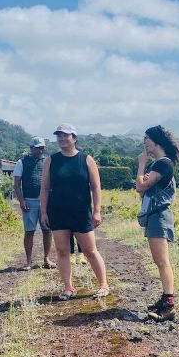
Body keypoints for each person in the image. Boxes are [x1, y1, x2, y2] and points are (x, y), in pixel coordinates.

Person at [40, 123, 109, 300]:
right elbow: (45, 188)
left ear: (74, 138)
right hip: (58, 211)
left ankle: (103, 285)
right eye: (59, 136)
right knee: (62, 251)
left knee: (90, 250)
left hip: (80, 211)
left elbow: (96, 187)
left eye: (66, 135)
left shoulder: (86, 159)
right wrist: (44, 212)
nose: (62, 139)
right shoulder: (51, 160)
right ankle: (68, 287)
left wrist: (97, 210)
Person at [136, 125, 179, 322]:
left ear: (156, 141)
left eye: (147, 138)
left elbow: (140, 187)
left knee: (162, 262)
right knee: (159, 261)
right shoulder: (162, 164)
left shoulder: (162, 164)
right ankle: (165, 300)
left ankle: (168, 304)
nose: (144, 141)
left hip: (159, 216)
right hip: (157, 216)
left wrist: (141, 164)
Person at [13, 136, 54, 270]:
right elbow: (17, 184)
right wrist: (21, 200)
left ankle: (46, 259)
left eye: (42, 148)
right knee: (29, 231)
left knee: (47, 230)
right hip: (29, 201)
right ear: (31, 148)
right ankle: (28, 261)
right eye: (38, 148)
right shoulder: (22, 162)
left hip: (46, 201)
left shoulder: (48, 161)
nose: (41, 150)